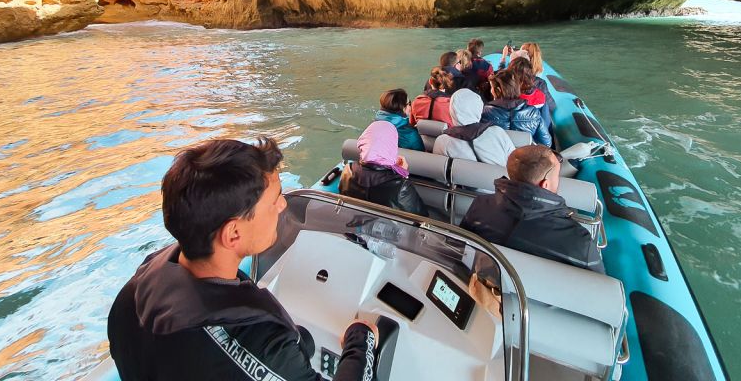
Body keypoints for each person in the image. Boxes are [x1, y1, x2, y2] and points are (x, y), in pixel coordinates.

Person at [108, 138, 378, 381]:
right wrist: (361, 342)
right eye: (274, 199)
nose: (283, 205)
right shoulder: (260, 343)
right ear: (233, 233)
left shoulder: (133, 292)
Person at [460, 145, 604, 273]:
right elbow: (600, 289)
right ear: (545, 185)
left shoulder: (480, 204)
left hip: (486, 285)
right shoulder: (580, 242)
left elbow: (463, 248)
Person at [340, 120, 428, 216]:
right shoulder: (401, 186)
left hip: (355, 223)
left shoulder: (347, 171)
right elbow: (421, 216)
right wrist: (403, 175)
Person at [432, 89, 514, 166]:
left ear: (452, 110)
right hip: (498, 179)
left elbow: (438, 174)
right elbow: (514, 162)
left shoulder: (442, 141)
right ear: (479, 108)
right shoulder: (498, 132)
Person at [483, 67, 552, 147]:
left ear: (498, 90)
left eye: (492, 88)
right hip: (524, 157)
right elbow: (547, 143)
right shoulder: (533, 113)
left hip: (495, 157)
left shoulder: (484, 112)